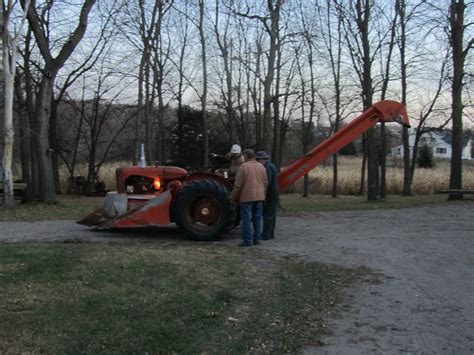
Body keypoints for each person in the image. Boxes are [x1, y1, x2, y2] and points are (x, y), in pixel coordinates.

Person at [230, 149, 268, 247]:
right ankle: (257, 239)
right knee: (257, 218)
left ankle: (247, 241)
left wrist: (232, 197)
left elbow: (238, 185)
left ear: (246, 156)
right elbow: (265, 183)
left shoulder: (243, 167)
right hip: (259, 196)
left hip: (247, 197)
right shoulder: (261, 167)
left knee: (246, 218)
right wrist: (263, 195)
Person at [256, 151, 279, 240]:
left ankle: (266, 235)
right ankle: (271, 233)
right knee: (272, 214)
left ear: (262, 159)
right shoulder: (271, 165)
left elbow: (267, 183)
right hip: (273, 193)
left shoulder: (267, 168)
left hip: (270, 194)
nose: (258, 162)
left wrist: (263, 195)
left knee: (268, 215)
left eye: (258, 160)